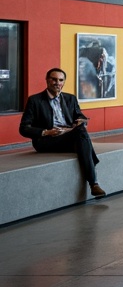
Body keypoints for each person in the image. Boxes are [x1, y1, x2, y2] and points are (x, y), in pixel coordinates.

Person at [20, 67, 105, 198]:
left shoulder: (70, 98)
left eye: (60, 80)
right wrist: (47, 132)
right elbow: (24, 128)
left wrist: (77, 124)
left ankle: (94, 184)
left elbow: (80, 117)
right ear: (47, 80)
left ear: (64, 82)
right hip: (47, 140)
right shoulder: (35, 100)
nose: (57, 83)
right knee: (82, 139)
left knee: (81, 131)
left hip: (68, 135)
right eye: (54, 79)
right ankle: (94, 182)